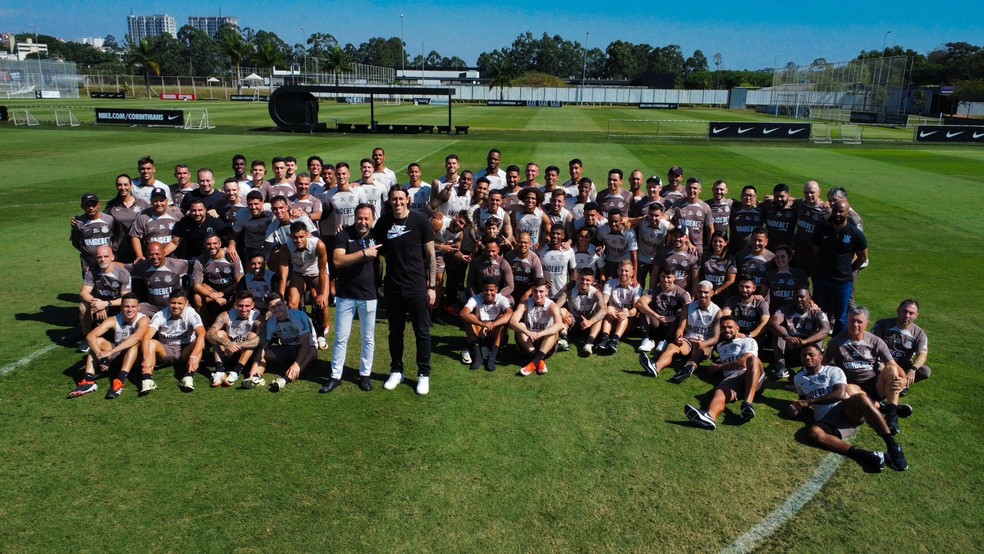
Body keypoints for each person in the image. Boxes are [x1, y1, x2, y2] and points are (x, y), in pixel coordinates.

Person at [788, 344, 908, 472]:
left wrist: (809, 401)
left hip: (845, 408)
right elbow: (803, 399)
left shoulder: (833, 371)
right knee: (814, 433)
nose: (807, 357)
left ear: (820, 357)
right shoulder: (798, 378)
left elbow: (839, 394)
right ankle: (867, 455)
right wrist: (796, 408)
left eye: (811, 354)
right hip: (826, 418)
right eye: (804, 355)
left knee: (861, 398)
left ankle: (893, 447)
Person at [372, 185, 438, 395]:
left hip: (416, 285)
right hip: (393, 286)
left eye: (401, 199)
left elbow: (430, 256)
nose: (398, 203)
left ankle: (423, 374)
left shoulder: (420, 222)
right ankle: (396, 370)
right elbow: (372, 246)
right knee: (395, 332)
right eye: (394, 199)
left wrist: (432, 286)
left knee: (422, 332)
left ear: (408, 199)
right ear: (389, 201)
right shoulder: (383, 223)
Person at [320, 204, 379, 393]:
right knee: (341, 337)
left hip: (369, 294)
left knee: (368, 337)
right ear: (354, 218)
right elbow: (337, 260)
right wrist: (364, 253)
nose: (363, 222)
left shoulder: (377, 235)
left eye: (366, 218)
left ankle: (365, 375)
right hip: (346, 295)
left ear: (373, 219)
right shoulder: (343, 234)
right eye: (359, 218)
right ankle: (335, 376)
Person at [824, 307, 909, 435]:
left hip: (875, 385)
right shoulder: (837, 341)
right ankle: (885, 407)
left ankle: (891, 417)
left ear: (867, 324)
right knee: (848, 389)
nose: (855, 325)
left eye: (859, 321)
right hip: (853, 387)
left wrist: (903, 380)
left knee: (891, 370)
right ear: (847, 321)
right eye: (852, 321)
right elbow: (823, 363)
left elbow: (892, 364)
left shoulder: (875, 341)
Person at [684, 315, 764, 429]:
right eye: (723, 327)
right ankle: (709, 416)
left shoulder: (748, 341)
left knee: (752, 360)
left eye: (730, 327)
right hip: (733, 379)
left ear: (737, 328)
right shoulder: (720, 346)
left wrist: (719, 367)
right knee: (719, 392)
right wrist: (713, 367)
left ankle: (747, 405)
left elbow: (743, 363)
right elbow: (718, 364)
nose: (726, 330)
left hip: (750, 375)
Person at [69, 293, 149, 399]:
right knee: (97, 341)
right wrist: (100, 355)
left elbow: (137, 338)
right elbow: (90, 336)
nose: (130, 310)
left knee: (133, 344)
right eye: (126, 306)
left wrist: (109, 352)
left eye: (133, 306)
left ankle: (120, 380)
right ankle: (88, 380)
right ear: (121, 307)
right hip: (117, 354)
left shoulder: (143, 319)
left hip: (134, 358)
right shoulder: (113, 319)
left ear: (138, 307)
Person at [645, 280, 721, 382]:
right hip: (688, 341)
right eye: (700, 292)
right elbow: (680, 328)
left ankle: (685, 371)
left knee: (699, 352)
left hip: (704, 344)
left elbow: (715, 338)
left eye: (706, 292)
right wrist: (678, 337)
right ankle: (655, 367)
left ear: (712, 293)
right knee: (672, 346)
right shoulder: (688, 307)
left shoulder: (717, 312)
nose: (702, 295)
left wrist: (703, 344)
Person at [812, 198, 867, 335]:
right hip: (822, 279)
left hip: (842, 283)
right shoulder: (822, 230)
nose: (837, 214)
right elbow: (815, 251)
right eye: (835, 211)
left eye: (841, 211)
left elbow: (863, 256)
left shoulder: (855, 234)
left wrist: (850, 269)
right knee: (818, 314)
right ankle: (816, 346)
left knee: (841, 318)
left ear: (848, 213)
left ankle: (838, 349)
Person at [243, 292, 317, 392]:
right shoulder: (271, 322)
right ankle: (256, 376)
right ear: (269, 309)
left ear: (285, 303)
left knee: (312, 352)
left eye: (279, 305)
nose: (277, 309)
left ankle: (284, 380)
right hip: (288, 348)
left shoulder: (299, 316)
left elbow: (306, 344)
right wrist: (255, 366)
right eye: (273, 307)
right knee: (265, 351)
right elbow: (264, 345)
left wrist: (296, 364)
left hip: (306, 348)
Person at [139, 290, 206, 395]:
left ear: (186, 303)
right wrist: (146, 357)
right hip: (166, 350)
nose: (176, 306)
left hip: (185, 349)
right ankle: (147, 379)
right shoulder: (160, 315)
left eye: (180, 303)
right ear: (168, 302)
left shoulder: (191, 313)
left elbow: (202, 333)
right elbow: (146, 337)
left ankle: (188, 377)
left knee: (199, 341)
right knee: (151, 343)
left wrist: (193, 356)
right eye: (173, 303)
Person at [280, 221, 331, 349]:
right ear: (290, 237)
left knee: (323, 303)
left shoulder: (318, 245)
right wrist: (280, 297)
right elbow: (284, 275)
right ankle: (299, 330)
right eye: (295, 237)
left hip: (317, 274)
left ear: (307, 234)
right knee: (292, 304)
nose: (298, 240)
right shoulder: (287, 247)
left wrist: (320, 294)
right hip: (299, 274)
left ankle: (321, 333)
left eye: (301, 237)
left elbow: (323, 270)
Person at [768, 287, 831, 379]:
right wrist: (787, 337)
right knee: (778, 334)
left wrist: (805, 341)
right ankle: (781, 367)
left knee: (819, 336)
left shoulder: (816, 312)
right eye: (796, 297)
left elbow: (826, 329)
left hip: (807, 348)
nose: (798, 300)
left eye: (802, 297)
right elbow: (772, 323)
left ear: (809, 298)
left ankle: (807, 367)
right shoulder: (784, 309)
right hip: (789, 346)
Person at [78, 245, 131, 352]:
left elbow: (126, 299)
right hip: (100, 304)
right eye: (99, 257)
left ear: (112, 257)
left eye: (106, 256)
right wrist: (98, 304)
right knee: (83, 306)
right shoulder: (92, 271)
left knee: (128, 308)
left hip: (116, 305)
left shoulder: (122, 273)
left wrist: (106, 304)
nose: (103, 259)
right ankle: (87, 337)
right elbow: (84, 293)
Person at [873, 299, 931, 394]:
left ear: (916, 316)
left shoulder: (919, 333)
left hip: (903, 365)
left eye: (911, 313)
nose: (907, 315)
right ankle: (889, 390)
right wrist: (883, 363)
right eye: (904, 311)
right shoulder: (882, 324)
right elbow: (872, 346)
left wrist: (913, 369)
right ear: (898, 311)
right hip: (883, 361)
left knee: (925, 371)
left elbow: (922, 354)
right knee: (881, 368)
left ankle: (902, 385)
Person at [205, 290, 261, 388]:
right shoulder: (226, 315)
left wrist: (236, 345)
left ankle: (236, 372)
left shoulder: (257, 317)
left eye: (247, 306)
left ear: (253, 305)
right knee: (219, 333)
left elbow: (262, 339)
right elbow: (209, 334)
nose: (243, 309)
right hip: (228, 352)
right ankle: (219, 371)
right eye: (240, 305)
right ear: (235, 304)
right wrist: (226, 343)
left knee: (252, 336)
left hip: (245, 354)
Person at [510, 278, 565, 376]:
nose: (538, 294)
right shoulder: (525, 303)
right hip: (528, 342)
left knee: (554, 331)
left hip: (545, 343)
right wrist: (528, 332)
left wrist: (540, 334)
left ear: (547, 291)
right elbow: (513, 321)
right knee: (520, 326)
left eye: (541, 291)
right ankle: (539, 359)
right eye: (535, 291)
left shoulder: (552, 306)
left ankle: (533, 363)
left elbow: (559, 324)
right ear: (532, 290)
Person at [636, 266, 692, 358]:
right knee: (643, 309)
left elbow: (689, 307)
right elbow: (640, 303)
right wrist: (656, 316)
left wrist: (674, 317)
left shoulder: (681, 293)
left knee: (681, 311)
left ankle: (666, 341)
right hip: (657, 322)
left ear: (674, 277)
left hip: (671, 326)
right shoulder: (654, 290)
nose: (665, 280)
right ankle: (647, 339)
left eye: (668, 277)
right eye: (663, 276)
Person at [460, 279, 514, 371]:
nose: (488, 293)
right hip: (481, 333)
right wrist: (482, 324)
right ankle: (478, 356)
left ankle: (492, 357)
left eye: (491, 290)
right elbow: (463, 313)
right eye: (486, 290)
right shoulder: (475, 298)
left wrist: (492, 324)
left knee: (503, 318)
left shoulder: (502, 299)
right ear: (482, 289)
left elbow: (510, 314)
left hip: (495, 334)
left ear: (496, 289)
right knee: (470, 317)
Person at [125, 241, 190, 317]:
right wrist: (109, 263)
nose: (155, 257)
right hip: (153, 308)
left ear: (164, 252)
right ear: (147, 255)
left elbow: (199, 265)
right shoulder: (143, 266)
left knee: (190, 312)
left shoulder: (177, 264)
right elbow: (123, 267)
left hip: (175, 306)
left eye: (157, 254)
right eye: (151, 254)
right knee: (132, 310)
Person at [191, 233, 244, 323]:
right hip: (214, 292)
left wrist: (223, 293)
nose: (212, 246)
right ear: (204, 245)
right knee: (197, 297)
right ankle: (203, 326)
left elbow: (240, 281)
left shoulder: (231, 255)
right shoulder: (200, 260)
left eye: (215, 243)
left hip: (231, 291)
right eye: (208, 244)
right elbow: (197, 286)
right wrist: (215, 297)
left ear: (220, 243)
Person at [595, 259, 642, 355]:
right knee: (610, 308)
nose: (623, 273)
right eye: (621, 270)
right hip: (612, 317)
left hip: (626, 322)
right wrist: (607, 310)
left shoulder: (637, 287)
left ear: (632, 273)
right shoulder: (610, 283)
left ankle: (615, 340)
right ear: (617, 271)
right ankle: (604, 338)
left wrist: (626, 313)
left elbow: (636, 309)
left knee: (625, 311)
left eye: (626, 271)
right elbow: (604, 301)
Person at [557, 268, 606, 354]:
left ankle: (589, 343)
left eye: (587, 280)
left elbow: (604, 310)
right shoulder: (569, 290)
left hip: (587, 324)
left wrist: (590, 322)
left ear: (592, 281)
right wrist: (561, 313)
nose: (584, 282)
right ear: (578, 278)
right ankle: (564, 340)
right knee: (562, 310)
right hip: (572, 322)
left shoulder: (596, 293)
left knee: (599, 312)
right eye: (582, 279)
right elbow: (556, 306)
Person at [105, 174, 149, 263]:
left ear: (131, 186)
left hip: (140, 251)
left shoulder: (142, 204)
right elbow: (101, 221)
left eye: (125, 184)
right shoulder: (111, 206)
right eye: (119, 185)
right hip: (119, 252)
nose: (122, 187)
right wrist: (79, 219)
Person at [129, 187, 180, 262]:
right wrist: (139, 255)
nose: (159, 204)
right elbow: (135, 237)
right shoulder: (143, 216)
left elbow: (182, 238)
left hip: (173, 258)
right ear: (151, 201)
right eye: (155, 201)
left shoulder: (177, 215)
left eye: (162, 200)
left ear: (167, 201)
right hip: (152, 259)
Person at [791, 180, 830, 276]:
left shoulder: (825, 210)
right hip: (799, 253)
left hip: (815, 256)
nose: (809, 195)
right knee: (799, 285)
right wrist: (773, 198)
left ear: (819, 192)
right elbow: (791, 200)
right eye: (806, 192)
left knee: (817, 284)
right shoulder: (802, 204)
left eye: (812, 192)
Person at [71, 193, 115, 275]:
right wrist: (87, 252)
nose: (91, 208)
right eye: (87, 205)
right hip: (88, 265)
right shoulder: (78, 223)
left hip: (107, 262)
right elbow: (75, 242)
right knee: (90, 286)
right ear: (82, 206)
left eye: (93, 205)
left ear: (99, 205)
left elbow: (114, 238)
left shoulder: (109, 220)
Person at [634, 201, 673, 291]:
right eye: (651, 215)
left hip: (657, 259)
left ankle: (653, 302)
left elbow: (680, 233)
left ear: (662, 215)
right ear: (648, 214)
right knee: (639, 284)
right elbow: (628, 220)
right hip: (642, 258)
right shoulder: (643, 221)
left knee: (656, 285)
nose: (653, 218)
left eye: (657, 216)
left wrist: (688, 243)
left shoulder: (666, 225)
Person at [761, 244, 809, 314]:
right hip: (775, 312)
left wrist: (812, 304)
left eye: (783, 257)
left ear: (789, 258)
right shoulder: (770, 274)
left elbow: (807, 295)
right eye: (777, 257)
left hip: (794, 312)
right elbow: (762, 294)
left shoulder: (800, 274)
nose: (780, 259)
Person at [671, 177, 715, 252]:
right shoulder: (677, 204)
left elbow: (710, 228)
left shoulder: (705, 207)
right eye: (689, 188)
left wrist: (711, 247)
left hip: (696, 249)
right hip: (679, 247)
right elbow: (671, 223)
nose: (692, 190)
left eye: (694, 188)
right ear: (686, 189)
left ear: (700, 190)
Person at [598, 208, 638, 281]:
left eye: (616, 221)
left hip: (625, 261)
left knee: (625, 282)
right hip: (610, 260)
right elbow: (598, 241)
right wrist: (600, 247)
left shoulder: (629, 232)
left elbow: (634, 256)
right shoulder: (603, 229)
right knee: (610, 281)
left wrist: (634, 277)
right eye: (611, 221)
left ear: (621, 220)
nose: (613, 224)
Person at [700, 230, 737, 302]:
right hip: (705, 294)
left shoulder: (729, 259)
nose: (717, 244)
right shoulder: (705, 256)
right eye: (715, 241)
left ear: (726, 243)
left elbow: (731, 280)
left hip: (723, 296)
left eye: (720, 241)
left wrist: (716, 291)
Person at [734, 227, 774, 294]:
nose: (756, 243)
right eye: (754, 240)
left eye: (760, 240)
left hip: (761, 299)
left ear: (766, 242)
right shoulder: (740, 255)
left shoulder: (772, 258)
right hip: (742, 298)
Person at [728, 185, 764, 253]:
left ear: (755, 197)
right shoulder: (733, 209)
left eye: (751, 196)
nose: (748, 198)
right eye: (745, 195)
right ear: (741, 197)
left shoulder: (761, 210)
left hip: (754, 252)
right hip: (734, 251)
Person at [761, 183, 797, 250]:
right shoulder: (768, 206)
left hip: (786, 252)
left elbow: (806, 201)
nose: (779, 199)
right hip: (768, 250)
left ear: (789, 196)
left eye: (782, 196)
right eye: (776, 196)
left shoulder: (795, 209)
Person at [706, 180, 733, 245]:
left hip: (723, 244)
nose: (718, 192)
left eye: (721, 189)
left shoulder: (731, 203)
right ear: (712, 189)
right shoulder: (706, 205)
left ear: (726, 190)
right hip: (709, 244)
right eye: (716, 189)